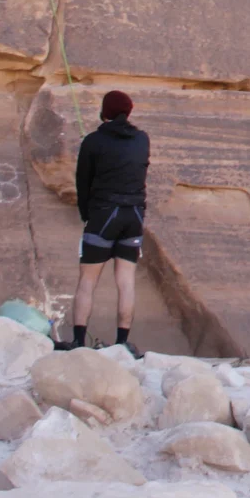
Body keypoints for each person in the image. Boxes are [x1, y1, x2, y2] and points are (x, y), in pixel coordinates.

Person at [66, 90, 150, 354]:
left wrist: (86, 215)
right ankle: (122, 343)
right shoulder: (142, 139)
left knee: (87, 281)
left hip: (104, 214)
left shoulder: (93, 141)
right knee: (126, 282)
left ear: (105, 111)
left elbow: (83, 182)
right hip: (133, 215)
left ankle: (78, 341)